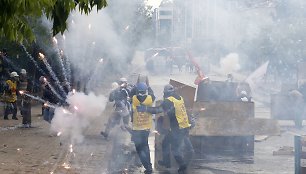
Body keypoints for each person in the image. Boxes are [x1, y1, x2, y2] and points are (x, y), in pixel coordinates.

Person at [137, 84, 193, 174]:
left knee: (175, 149)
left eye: (164, 93)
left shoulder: (169, 101)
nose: (164, 95)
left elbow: (158, 110)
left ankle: (183, 166)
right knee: (165, 142)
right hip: (183, 126)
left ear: (167, 93)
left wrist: (145, 108)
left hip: (178, 128)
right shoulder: (179, 97)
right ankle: (166, 162)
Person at [130, 82, 155, 174]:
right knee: (145, 147)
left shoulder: (134, 99)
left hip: (137, 129)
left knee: (140, 149)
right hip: (146, 129)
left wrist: (135, 86)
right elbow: (152, 93)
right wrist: (148, 86)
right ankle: (149, 165)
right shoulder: (150, 99)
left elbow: (131, 93)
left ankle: (148, 167)